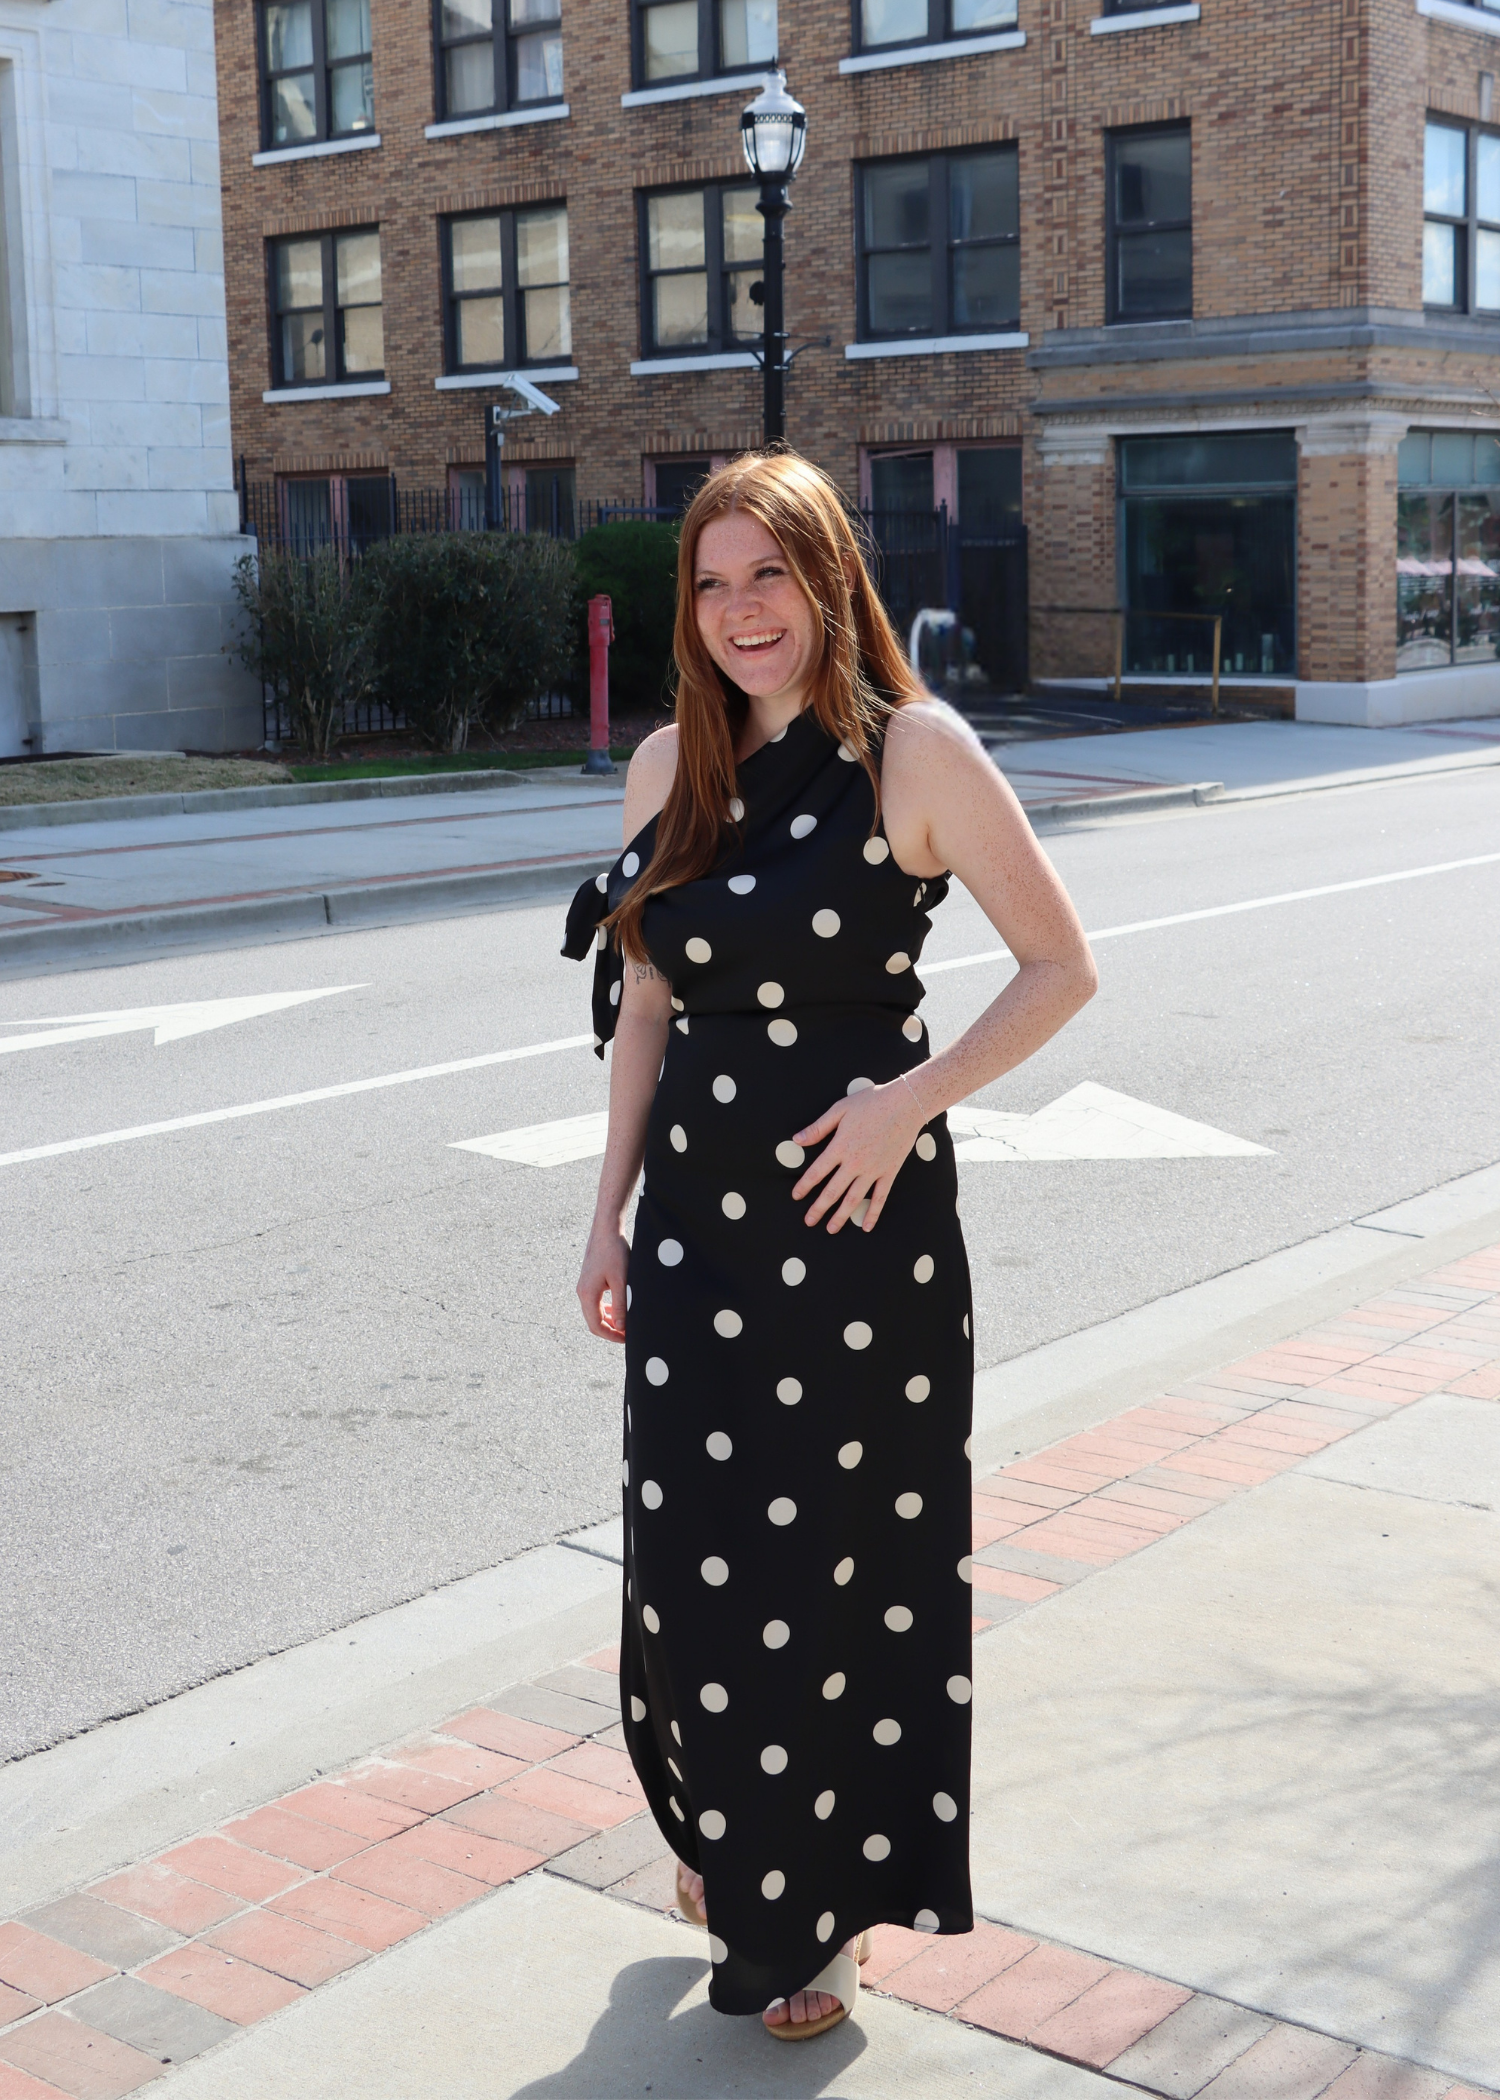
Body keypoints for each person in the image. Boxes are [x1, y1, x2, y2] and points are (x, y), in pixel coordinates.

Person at [563, 451, 1095, 2040]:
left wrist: (907, 1106)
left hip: (860, 1246)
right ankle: (732, 1844)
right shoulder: (671, 767)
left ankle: (821, 1917)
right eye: (713, 584)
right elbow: (647, 1001)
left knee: (840, 1574)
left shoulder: (912, 753)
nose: (740, 612)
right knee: (691, 1574)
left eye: (767, 577)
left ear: (826, 576)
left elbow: (1061, 967)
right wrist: (604, 1212)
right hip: (696, 1239)